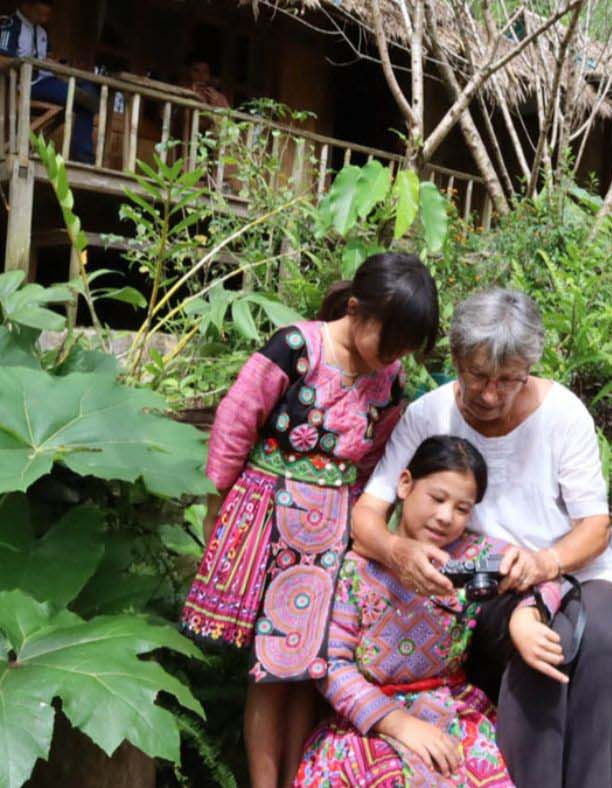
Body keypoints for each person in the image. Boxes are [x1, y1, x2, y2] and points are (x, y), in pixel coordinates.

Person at [349, 289, 612, 788]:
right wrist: (400, 551)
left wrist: (546, 563)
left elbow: (595, 528)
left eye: (508, 380)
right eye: (477, 375)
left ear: (529, 369)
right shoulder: (429, 415)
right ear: (455, 358)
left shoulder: (563, 415)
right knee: (545, 650)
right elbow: (367, 515)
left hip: (569, 566)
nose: (491, 394)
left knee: (606, 642)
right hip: (487, 579)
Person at [179, 253, 439, 788]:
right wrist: (216, 508)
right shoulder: (297, 348)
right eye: (389, 343)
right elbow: (235, 421)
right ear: (355, 311)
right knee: (272, 672)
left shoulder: (388, 379)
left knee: (312, 673)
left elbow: (375, 461)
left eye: (404, 349)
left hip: (334, 536)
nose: (393, 358)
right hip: (271, 523)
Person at [294, 436, 568, 787]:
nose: (445, 517)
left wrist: (526, 616)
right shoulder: (355, 567)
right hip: (369, 723)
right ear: (405, 484)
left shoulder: (472, 557)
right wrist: (398, 724)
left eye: (462, 508)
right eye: (437, 498)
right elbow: (332, 665)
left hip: (452, 713)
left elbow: (541, 577)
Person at [0, 0, 99, 163]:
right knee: (83, 99)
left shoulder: (42, 32)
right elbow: (0, 59)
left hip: (48, 80)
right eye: (40, 14)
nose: (43, 19)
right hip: (30, 84)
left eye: (47, 16)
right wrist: (27, 63)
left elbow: (48, 59)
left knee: (88, 90)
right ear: (27, 6)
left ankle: (84, 155)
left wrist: (56, 65)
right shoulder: (12, 24)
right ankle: (84, 155)